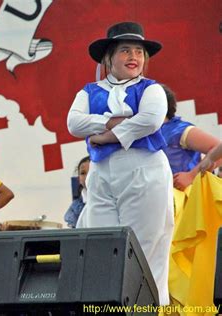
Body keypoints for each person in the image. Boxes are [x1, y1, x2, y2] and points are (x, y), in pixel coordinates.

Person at [67, 21, 173, 304]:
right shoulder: (89, 91)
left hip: (144, 169)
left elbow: (150, 120)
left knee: (143, 246)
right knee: (101, 242)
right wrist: (112, 121)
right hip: (102, 173)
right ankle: (105, 304)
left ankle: (143, 307)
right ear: (108, 57)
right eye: (125, 50)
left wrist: (106, 137)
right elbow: (74, 122)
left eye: (138, 51)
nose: (133, 57)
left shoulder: (152, 89)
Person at [160, 84, 221, 191]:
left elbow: (218, 150)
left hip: (189, 198)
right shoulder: (144, 134)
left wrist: (191, 176)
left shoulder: (179, 129)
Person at [64, 156, 90, 228]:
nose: (87, 176)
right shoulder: (75, 207)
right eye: (83, 173)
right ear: (79, 179)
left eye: (91, 172)